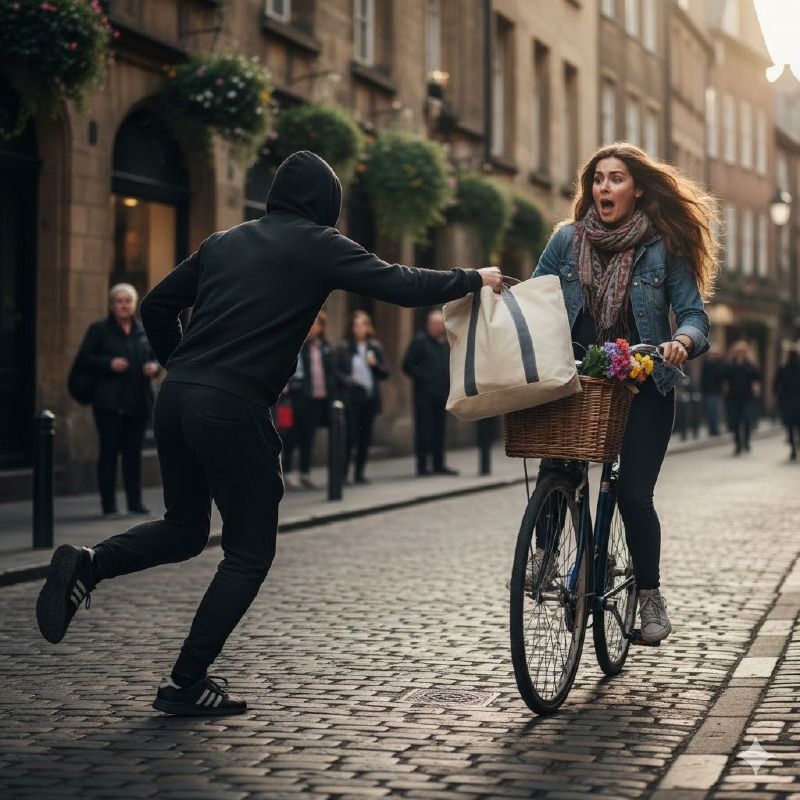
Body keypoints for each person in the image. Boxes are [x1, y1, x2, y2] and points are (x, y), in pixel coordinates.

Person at [35, 150, 503, 716]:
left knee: (185, 529)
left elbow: (157, 307)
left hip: (177, 398)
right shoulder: (319, 244)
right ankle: (186, 683)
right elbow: (400, 283)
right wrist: (472, 278)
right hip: (232, 406)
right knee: (249, 551)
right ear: (324, 205)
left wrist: (183, 367)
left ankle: (89, 564)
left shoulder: (223, 241)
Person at [531, 142, 718, 643]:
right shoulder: (565, 242)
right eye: (597, 179)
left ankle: (649, 597)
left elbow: (695, 315)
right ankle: (545, 555)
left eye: (615, 179)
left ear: (636, 189)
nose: (603, 188)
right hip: (578, 380)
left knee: (634, 495)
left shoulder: (662, 246)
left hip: (643, 386)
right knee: (557, 468)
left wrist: (681, 341)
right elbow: (535, 301)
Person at [73, 283, 160, 517]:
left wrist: (155, 367)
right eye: (119, 301)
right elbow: (83, 359)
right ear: (111, 305)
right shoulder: (99, 330)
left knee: (133, 455)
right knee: (109, 453)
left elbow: (156, 358)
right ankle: (109, 505)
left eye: (128, 301)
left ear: (133, 305)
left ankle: (135, 503)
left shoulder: (143, 330)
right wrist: (108, 363)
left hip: (138, 402)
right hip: (108, 403)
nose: (124, 305)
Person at [283, 311, 336, 489]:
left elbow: (329, 372)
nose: (314, 327)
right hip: (296, 398)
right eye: (312, 323)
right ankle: (287, 473)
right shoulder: (298, 345)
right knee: (289, 436)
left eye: (318, 324)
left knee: (309, 437)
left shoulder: (324, 347)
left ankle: (305, 473)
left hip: (317, 398)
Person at [334, 310, 388, 485]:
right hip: (351, 398)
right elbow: (336, 372)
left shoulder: (374, 347)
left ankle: (359, 474)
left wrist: (375, 365)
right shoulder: (344, 348)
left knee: (365, 438)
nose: (359, 329)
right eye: (356, 325)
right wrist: (348, 379)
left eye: (363, 325)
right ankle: (342, 475)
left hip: (369, 398)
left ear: (368, 327)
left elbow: (385, 372)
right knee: (350, 437)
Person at [402, 309, 458, 476]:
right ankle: (422, 466)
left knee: (439, 431)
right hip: (424, 395)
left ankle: (439, 464)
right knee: (424, 431)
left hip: (441, 395)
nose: (437, 327)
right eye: (434, 324)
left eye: (439, 324)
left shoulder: (444, 343)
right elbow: (407, 365)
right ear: (428, 325)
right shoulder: (420, 341)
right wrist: (425, 377)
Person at [723, 340, 761, 456]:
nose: (739, 354)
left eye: (742, 352)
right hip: (733, 397)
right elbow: (725, 377)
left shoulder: (750, 364)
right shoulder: (730, 364)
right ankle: (738, 444)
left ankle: (747, 441)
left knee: (746, 419)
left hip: (747, 397)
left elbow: (757, 377)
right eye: (737, 351)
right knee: (735, 421)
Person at [774, 347, 800, 461]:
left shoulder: (783, 368)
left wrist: (776, 395)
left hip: (787, 400)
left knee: (789, 425)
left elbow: (776, 383)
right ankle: (797, 443)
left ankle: (793, 447)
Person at [700, 343, 726, 436]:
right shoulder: (706, 364)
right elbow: (703, 378)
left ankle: (715, 428)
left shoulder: (720, 364)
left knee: (716, 410)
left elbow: (722, 376)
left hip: (717, 391)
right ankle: (711, 429)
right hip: (708, 391)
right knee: (710, 411)